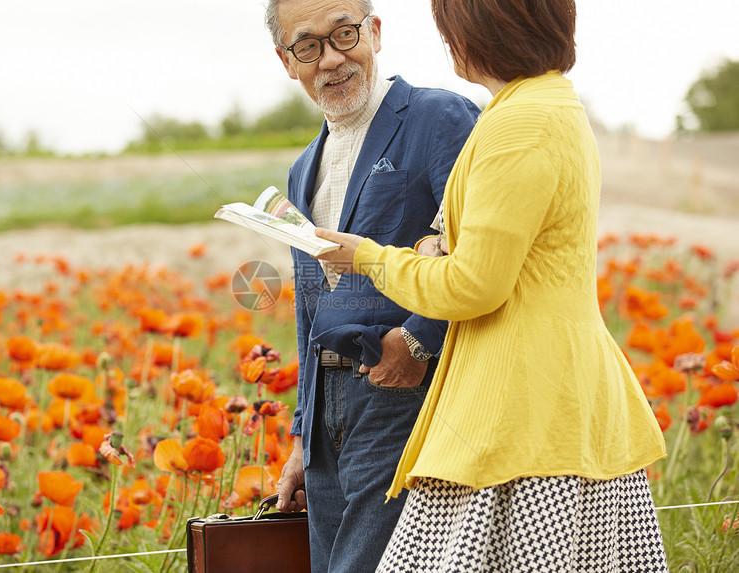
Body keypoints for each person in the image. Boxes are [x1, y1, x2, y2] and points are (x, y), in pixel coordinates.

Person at [315, 0, 669, 571]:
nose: (448, 41)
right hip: (552, 396)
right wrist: (435, 247)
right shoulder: (550, 106)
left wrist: (370, 258)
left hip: (520, 407)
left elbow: (475, 285)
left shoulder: (518, 122)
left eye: (449, 26)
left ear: (484, 27)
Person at [264, 0, 481, 571]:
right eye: (309, 46)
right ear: (288, 61)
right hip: (326, 408)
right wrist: (300, 438)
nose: (332, 60)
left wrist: (417, 341)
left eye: (345, 35)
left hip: (402, 391)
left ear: (376, 32)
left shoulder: (440, 117)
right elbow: (310, 310)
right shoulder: (303, 166)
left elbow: (477, 251)